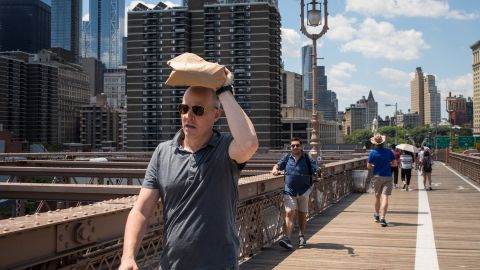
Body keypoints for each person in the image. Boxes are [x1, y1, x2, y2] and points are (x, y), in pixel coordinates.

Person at [119, 68, 259, 270]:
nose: (188, 116)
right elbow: (141, 210)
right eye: (184, 109)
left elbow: (249, 144)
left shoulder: (225, 149)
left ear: (216, 115)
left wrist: (224, 89)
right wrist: (128, 256)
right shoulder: (162, 152)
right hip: (171, 265)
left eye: (198, 110)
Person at [271, 137, 318, 250]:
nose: (295, 147)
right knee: (289, 212)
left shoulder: (307, 158)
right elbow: (277, 166)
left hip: (304, 190)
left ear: (301, 146)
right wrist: (275, 170)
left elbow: (316, 169)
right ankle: (287, 239)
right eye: (293, 145)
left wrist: (318, 173)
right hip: (290, 190)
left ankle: (301, 236)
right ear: (290, 147)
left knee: (302, 214)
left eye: (297, 145)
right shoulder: (287, 157)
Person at [367, 133, 396, 227]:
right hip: (387, 176)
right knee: (385, 197)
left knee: (377, 196)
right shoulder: (389, 152)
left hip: (377, 177)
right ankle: (383, 217)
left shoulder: (372, 153)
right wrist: (388, 164)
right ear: (383, 142)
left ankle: (377, 214)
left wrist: (374, 165)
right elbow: (395, 164)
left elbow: (368, 166)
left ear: (375, 143)